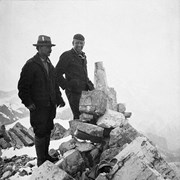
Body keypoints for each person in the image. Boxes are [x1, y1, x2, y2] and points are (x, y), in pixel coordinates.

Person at [18, 35, 65, 166]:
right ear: (39, 48)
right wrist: (28, 103)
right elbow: (22, 87)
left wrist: (59, 98)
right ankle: (40, 161)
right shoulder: (30, 65)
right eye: (47, 47)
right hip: (38, 107)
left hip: (50, 105)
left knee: (48, 129)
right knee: (40, 131)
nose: (50, 49)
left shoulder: (50, 65)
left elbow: (54, 84)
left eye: (50, 47)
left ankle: (46, 156)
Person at [56, 34, 94, 119]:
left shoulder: (83, 56)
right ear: (73, 42)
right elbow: (56, 73)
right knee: (79, 116)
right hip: (74, 93)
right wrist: (67, 86)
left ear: (84, 44)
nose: (79, 45)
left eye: (81, 43)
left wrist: (92, 87)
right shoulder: (67, 55)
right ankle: (76, 132)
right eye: (77, 43)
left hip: (84, 92)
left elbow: (84, 75)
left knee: (86, 117)